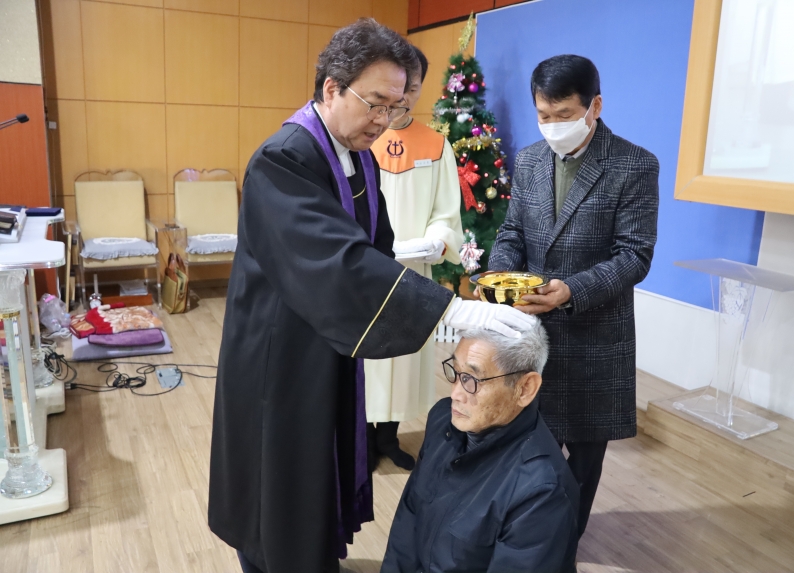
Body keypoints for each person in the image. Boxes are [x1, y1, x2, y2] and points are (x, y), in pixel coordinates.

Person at [208, 19, 536, 573]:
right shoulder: (284, 158)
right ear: (332, 88)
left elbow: (374, 247)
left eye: (396, 107)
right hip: (280, 357)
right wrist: (451, 311)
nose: (385, 120)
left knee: (319, 474)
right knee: (278, 485)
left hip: (324, 344)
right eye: (376, 104)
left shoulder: (358, 153)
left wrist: (427, 292)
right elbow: (336, 263)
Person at [488, 54, 659, 546]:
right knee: (524, 450)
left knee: (583, 464)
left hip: (594, 338)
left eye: (563, 115)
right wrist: (499, 275)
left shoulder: (634, 164)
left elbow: (634, 256)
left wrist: (572, 290)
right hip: (530, 335)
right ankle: (523, 540)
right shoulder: (529, 160)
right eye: (544, 115)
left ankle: (564, 547)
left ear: (594, 106)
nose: (552, 126)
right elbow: (513, 233)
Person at [381, 325, 579, 573]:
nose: (455, 394)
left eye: (471, 380)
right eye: (456, 372)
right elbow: (408, 520)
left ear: (525, 388)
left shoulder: (542, 491)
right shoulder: (443, 419)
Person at [365, 46, 464, 471]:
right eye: (396, 87)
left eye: (412, 87)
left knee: (402, 357)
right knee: (366, 356)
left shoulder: (436, 146)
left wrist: (437, 241)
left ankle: (387, 437)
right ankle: (361, 440)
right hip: (366, 270)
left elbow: (447, 211)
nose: (403, 97)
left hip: (414, 271)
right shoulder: (361, 138)